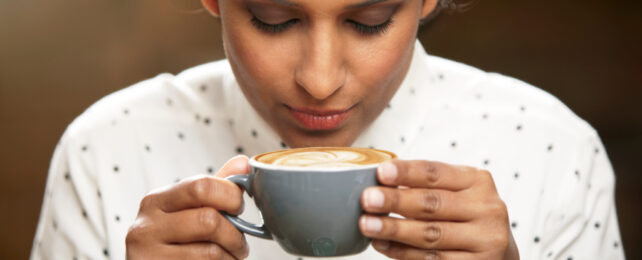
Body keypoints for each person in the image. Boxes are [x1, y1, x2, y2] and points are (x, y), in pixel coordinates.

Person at [31, 0, 625, 259]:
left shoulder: (555, 150)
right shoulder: (103, 149)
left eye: (369, 21)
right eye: (274, 18)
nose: (319, 80)